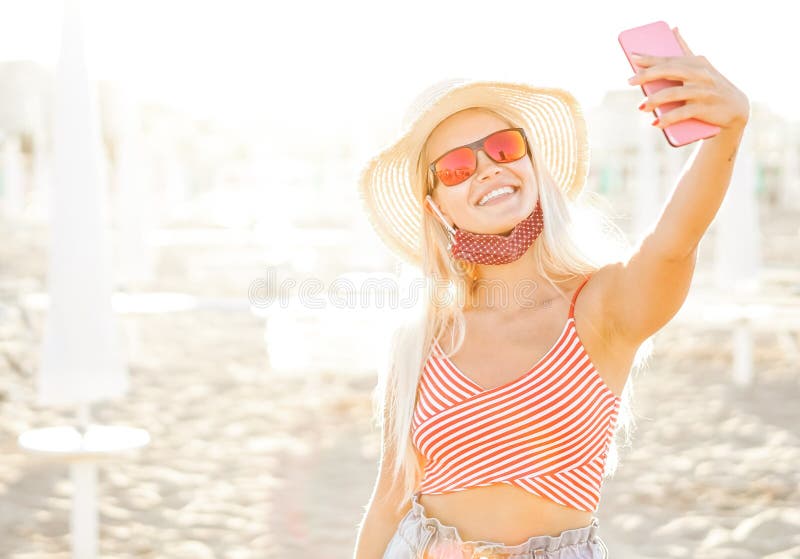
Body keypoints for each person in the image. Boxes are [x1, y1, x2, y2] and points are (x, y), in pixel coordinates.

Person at [353, 39, 750, 558]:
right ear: (436, 204)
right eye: (455, 168)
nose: (488, 170)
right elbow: (388, 500)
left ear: (532, 162)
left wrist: (726, 133)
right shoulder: (420, 338)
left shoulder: (601, 308)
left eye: (502, 149)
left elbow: (674, 246)